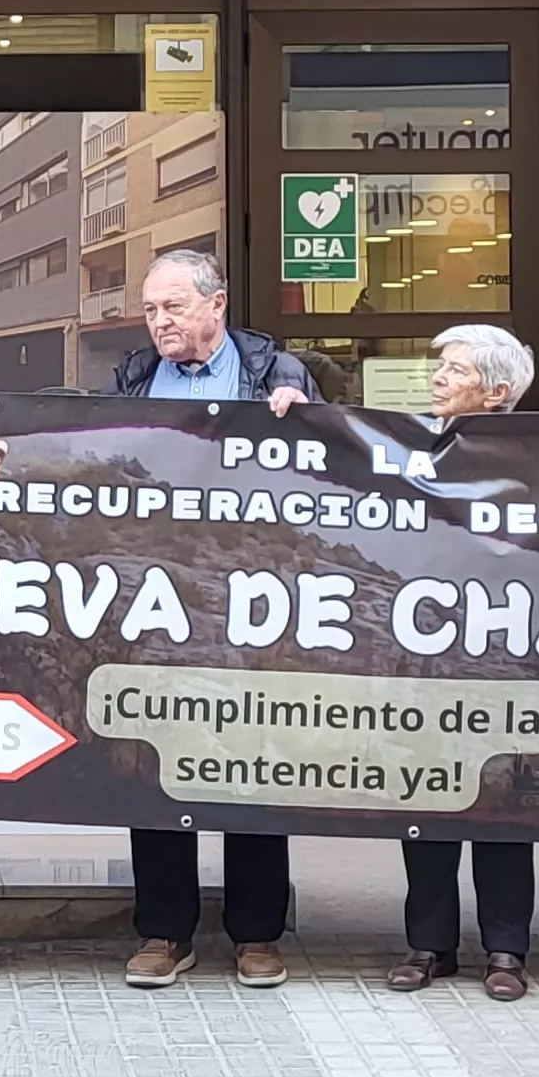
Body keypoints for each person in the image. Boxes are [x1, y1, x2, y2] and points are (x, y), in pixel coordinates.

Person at [106, 249, 313, 992]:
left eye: (175, 308)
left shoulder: (272, 375)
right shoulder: (132, 377)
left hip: (253, 601)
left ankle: (256, 933)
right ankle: (164, 930)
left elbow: (318, 471)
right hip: (160, 599)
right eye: (151, 310)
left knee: (254, 758)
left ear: (216, 305)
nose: (160, 322)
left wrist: (299, 403)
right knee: (154, 756)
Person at [394, 324, 539, 1004]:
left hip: (502, 650)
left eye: (455, 370)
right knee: (426, 795)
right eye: (442, 367)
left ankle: (506, 945)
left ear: (497, 391)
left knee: (500, 800)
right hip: (428, 649)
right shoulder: (411, 447)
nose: (440, 378)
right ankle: (429, 943)